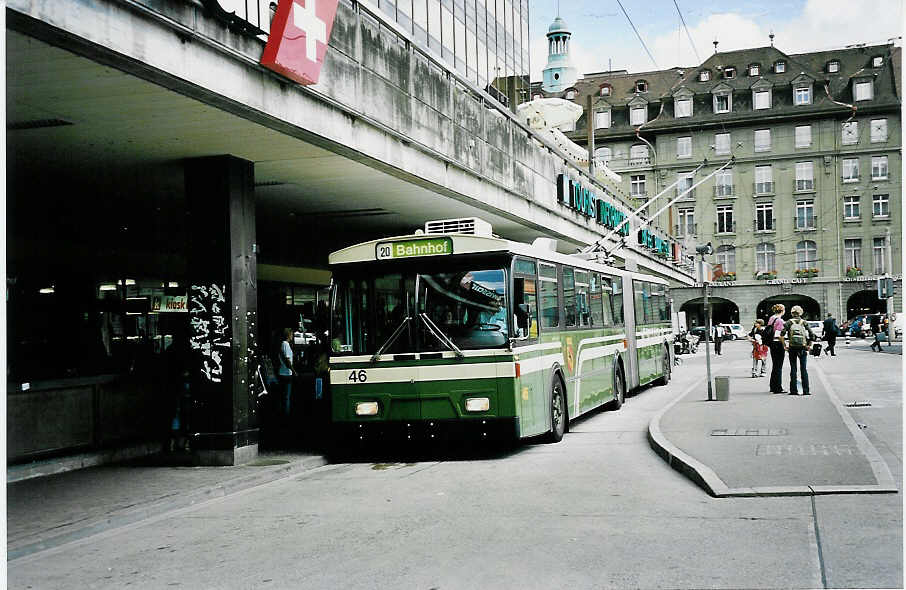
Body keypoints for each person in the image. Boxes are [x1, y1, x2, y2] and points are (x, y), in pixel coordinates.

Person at [780, 305, 815, 395]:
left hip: (792, 348)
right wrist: (808, 345)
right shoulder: (804, 322)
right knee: (803, 369)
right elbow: (812, 335)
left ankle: (793, 390)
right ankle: (806, 391)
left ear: (792, 313)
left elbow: (782, 335)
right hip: (803, 347)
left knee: (793, 369)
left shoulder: (789, 322)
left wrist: (785, 346)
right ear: (801, 313)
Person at [766, 303, 787, 393]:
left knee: (775, 365)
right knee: (779, 366)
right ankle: (778, 387)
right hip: (778, 344)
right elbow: (779, 335)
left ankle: (772, 386)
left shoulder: (771, 318)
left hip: (771, 343)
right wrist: (785, 345)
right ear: (782, 311)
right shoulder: (780, 321)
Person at [277, 327, 295, 416]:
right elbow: (287, 360)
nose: (292, 336)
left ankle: (282, 413)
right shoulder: (286, 345)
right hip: (286, 373)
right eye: (292, 334)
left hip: (282, 372)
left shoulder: (283, 344)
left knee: (283, 395)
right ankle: (286, 414)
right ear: (288, 335)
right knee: (287, 396)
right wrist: (293, 371)